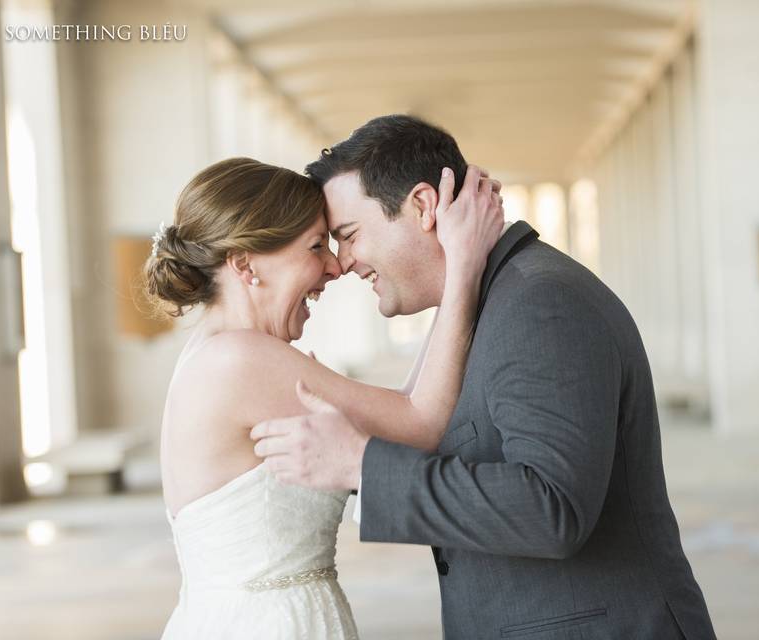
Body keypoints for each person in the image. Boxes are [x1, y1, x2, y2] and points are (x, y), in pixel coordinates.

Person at [251, 115, 718, 639]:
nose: (345, 263)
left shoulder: (540, 304)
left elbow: (552, 507)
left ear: (424, 207)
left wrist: (362, 466)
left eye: (350, 235)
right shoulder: (490, 299)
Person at [145, 155, 503, 639]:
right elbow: (421, 424)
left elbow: (406, 405)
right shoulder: (242, 360)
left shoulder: (217, 352)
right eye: (316, 245)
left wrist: (446, 273)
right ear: (246, 264)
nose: (335, 266)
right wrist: (463, 265)